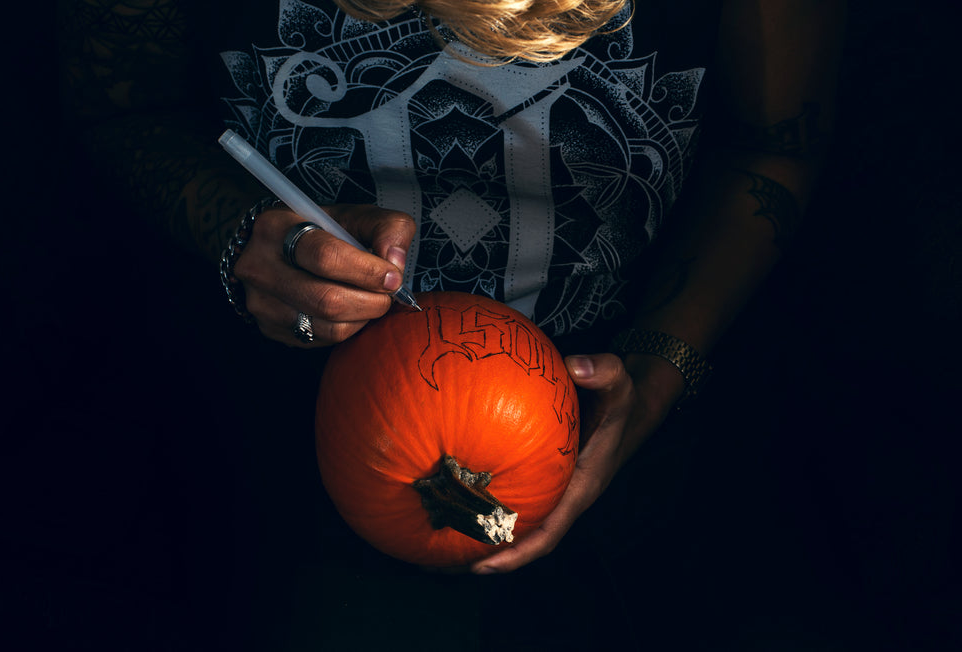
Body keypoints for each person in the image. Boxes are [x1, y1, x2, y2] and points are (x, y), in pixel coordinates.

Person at [59, 0, 844, 582]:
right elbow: (123, 108)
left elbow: (775, 146)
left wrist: (662, 368)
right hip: (259, 455)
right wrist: (237, 227)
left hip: (661, 451)